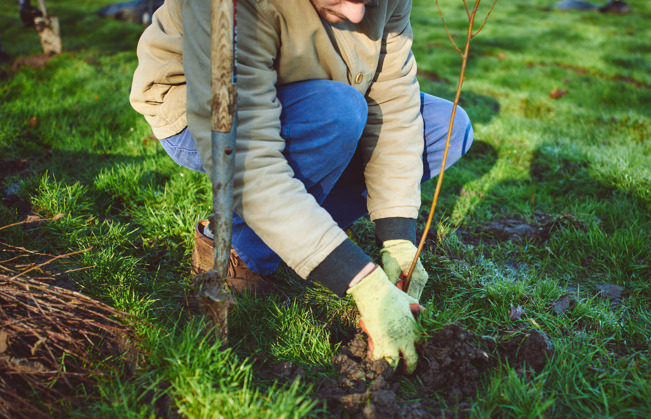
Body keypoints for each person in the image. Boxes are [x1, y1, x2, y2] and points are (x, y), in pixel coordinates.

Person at [129, 0, 474, 372]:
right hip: (202, 106)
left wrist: (398, 235)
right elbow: (253, 163)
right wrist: (360, 280)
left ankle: (298, 233)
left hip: (311, 89)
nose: (357, 15)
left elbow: (392, 99)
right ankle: (237, 247)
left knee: (445, 126)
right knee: (337, 113)